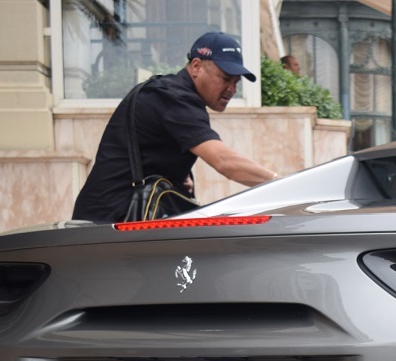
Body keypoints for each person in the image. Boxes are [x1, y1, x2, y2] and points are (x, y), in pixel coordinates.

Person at [73, 32, 279, 223]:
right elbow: (224, 161)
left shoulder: (170, 92)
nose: (232, 89)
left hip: (108, 220)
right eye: (225, 78)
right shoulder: (174, 98)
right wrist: (279, 183)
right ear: (196, 66)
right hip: (107, 223)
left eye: (236, 82)